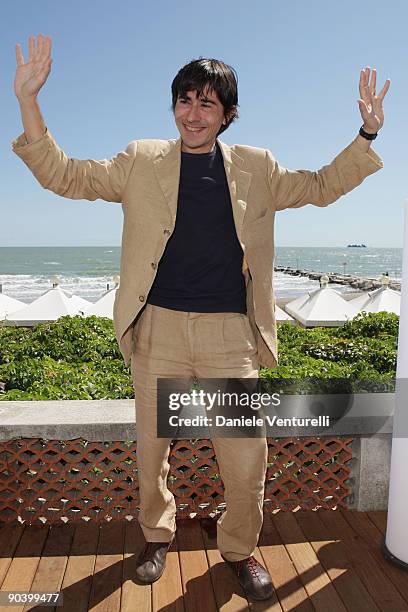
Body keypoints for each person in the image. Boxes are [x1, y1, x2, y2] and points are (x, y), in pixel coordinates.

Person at [12, 34, 390, 602]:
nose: (192, 114)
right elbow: (66, 175)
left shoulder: (257, 167)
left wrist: (366, 134)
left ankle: (240, 549)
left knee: (244, 457)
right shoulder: (141, 160)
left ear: (227, 114)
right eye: (184, 100)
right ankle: (155, 536)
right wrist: (28, 101)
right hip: (157, 328)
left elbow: (319, 187)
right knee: (152, 450)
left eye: (206, 103)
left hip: (230, 336)